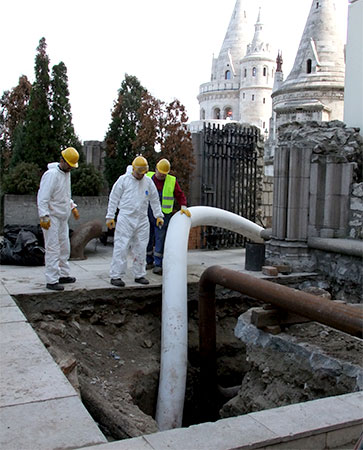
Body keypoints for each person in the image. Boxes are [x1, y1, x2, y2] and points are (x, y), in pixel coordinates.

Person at [105, 155, 164, 287]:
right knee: (121, 246)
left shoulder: (148, 181)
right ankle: (116, 275)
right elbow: (114, 198)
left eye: (143, 173)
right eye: (139, 173)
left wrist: (158, 215)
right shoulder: (123, 180)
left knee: (141, 247)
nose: (141, 176)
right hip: (126, 217)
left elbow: (154, 199)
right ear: (134, 169)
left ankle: (139, 274)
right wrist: (110, 217)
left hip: (142, 218)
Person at [37, 147, 80, 291]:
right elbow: (43, 197)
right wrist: (44, 216)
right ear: (62, 160)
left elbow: (64, 195)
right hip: (52, 217)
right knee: (53, 248)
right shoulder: (51, 175)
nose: (70, 168)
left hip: (62, 217)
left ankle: (63, 274)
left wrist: (72, 206)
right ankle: (52, 279)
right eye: (69, 165)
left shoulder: (66, 174)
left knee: (64, 247)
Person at [146, 158, 191, 275]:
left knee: (160, 238)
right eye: (160, 172)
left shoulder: (171, 181)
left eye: (164, 174)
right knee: (147, 237)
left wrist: (183, 205)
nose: (161, 175)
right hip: (148, 212)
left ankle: (158, 264)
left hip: (164, 214)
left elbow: (179, 194)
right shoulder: (148, 177)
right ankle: (148, 261)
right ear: (155, 169)